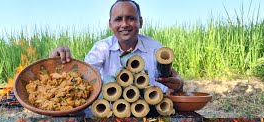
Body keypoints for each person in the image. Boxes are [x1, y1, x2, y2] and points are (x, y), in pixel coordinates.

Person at [50, 0, 183, 94]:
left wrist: (179, 85)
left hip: (148, 112)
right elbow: (83, 76)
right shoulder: (101, 48)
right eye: (118, 19)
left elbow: (171, 79)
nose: (124, 24)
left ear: (140, 22)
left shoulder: (155, 48)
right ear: (110, 24)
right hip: (109, 112)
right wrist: (60, 64)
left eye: (131, 18)